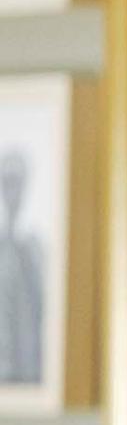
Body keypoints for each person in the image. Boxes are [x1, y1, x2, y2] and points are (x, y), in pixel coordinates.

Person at [0, 149, 44, 386]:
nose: (11, 192)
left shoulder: (34, 246)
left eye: (16, 183)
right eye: (6, 183)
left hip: (27, 370)